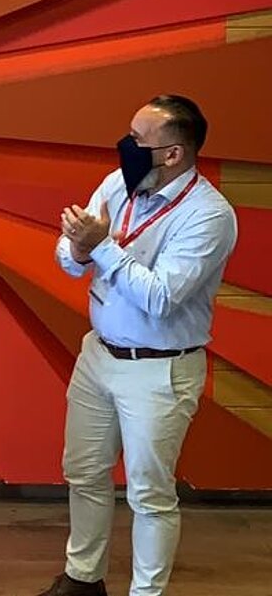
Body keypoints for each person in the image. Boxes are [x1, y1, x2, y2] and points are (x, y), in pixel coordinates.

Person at [37, 95, 238, 596]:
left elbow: (161, 298)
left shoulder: (209, 216)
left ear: (173, 153)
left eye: (137, 139)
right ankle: (83, 580)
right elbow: (69, 256)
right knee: (83, 472)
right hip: (98, 354)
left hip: (159, 370)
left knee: (149, 493)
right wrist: (78, 247)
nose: (125, 147)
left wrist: (101, 247)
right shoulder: (118, 183)